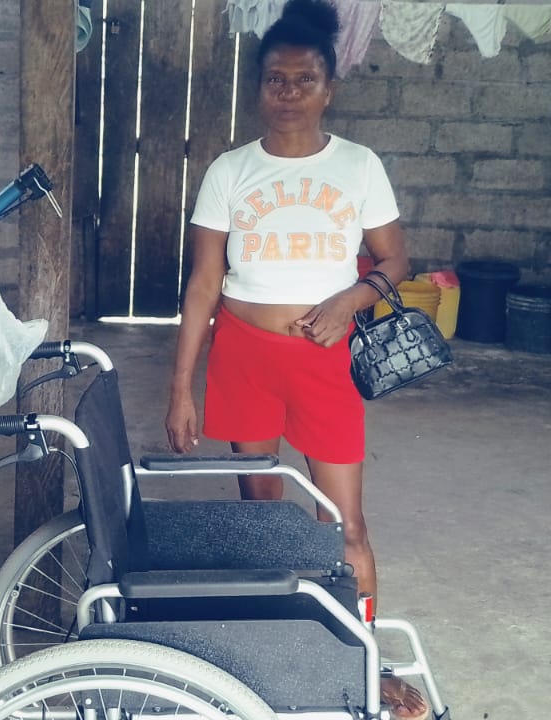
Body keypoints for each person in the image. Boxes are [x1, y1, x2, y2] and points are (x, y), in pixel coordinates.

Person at [164, 1, 428, 718]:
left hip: (325, 360)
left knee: (347, 526)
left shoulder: (358, 166)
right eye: (275, 80)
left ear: (328, 88)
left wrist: (350, 299)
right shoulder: (230, 171)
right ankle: (283, 653)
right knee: (264, 519)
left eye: (304, 79)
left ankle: (363, 665)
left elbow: (396, 258)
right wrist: (181, 388)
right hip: (244, 358)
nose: (288, 93)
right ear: (258, 88)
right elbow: (203, 284)